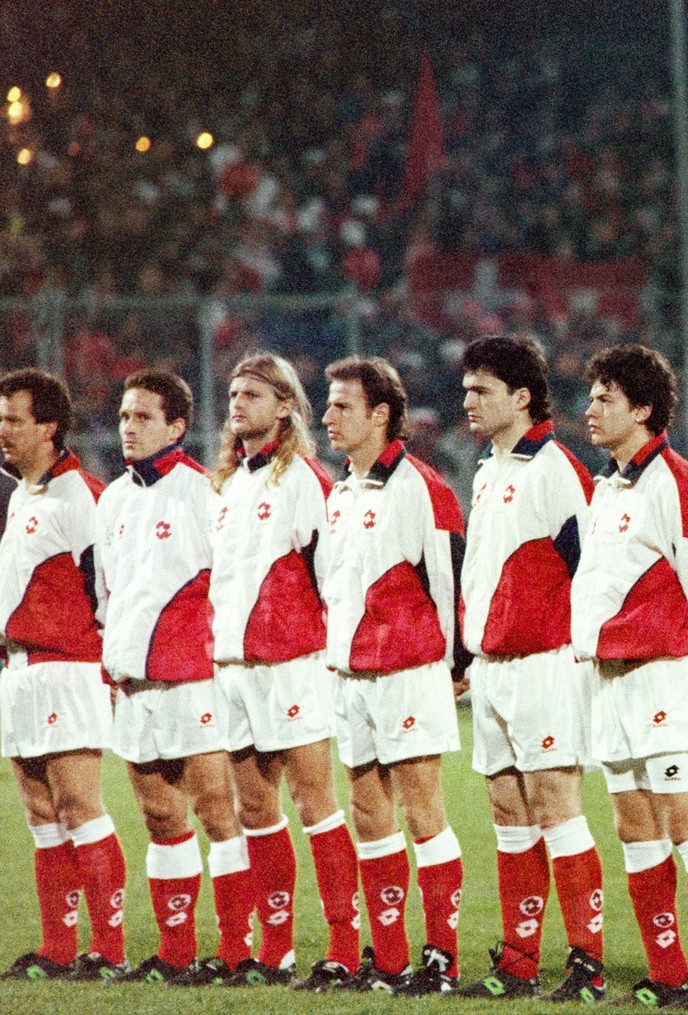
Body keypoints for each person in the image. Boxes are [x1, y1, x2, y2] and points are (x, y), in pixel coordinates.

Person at [573, 344, 688, 1009]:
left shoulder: (675, 480)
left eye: (606, 398)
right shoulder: (606, 484)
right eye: (591, 396)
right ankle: (666, 975)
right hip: (610, 678)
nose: (591, 408)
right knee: (634, 828)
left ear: (642, 408)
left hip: (666, 672)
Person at [453, 335, 606, 1002]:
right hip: (492, 667)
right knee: (507, 808)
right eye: (465, 390)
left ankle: (588, 963)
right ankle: (518, 962)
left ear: (521, 396)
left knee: (555, 806)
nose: (468, 401)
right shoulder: (489, 469)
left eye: (481, 390)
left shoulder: (555, 469)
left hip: (546, 660)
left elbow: (590, 567)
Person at [94, 368, 254, 984]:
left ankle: (240, 953)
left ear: (177, 426)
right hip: (134, 683)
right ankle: (177, 953)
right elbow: (109, 593)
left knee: (220, 813)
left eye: (142, 417)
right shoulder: (113, 498)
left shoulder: (202, 492)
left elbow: (231, 583)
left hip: (192, 677)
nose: (128, 428)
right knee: (160, 818)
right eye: (124, 417)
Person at [207, 352, 361, 989]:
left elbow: (334, 580)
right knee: (254, 810)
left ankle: (346, 948)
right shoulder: (232, 483)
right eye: (235, 393)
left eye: (254, 394)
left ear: (286, 406)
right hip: (233, 668)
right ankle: (275, 951)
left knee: (315, 804)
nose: (238, 403)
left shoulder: (303, 479)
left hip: (293, 665)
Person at [320, 355, 466, 995]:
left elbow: (450, 581)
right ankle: (389, 959)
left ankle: (442, 960)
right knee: (368, 810)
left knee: (421, 809)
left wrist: (455, 663)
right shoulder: (341, 490)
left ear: (380, 414)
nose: (327, 416)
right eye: (328, 405)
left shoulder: (420, 486)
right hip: (349, 674)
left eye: (342, 405)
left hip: (408, 669)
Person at [0, 369, 128, 982]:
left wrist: (106, 665)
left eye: (13, 420)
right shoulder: (23, 495)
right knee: (40, 811)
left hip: (67, 667)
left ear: (48, 427)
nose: (2, 431)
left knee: (80, 804)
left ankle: (109, 949)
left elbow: (109, 588)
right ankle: (58, 948)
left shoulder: (81, 497)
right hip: (20, 668)